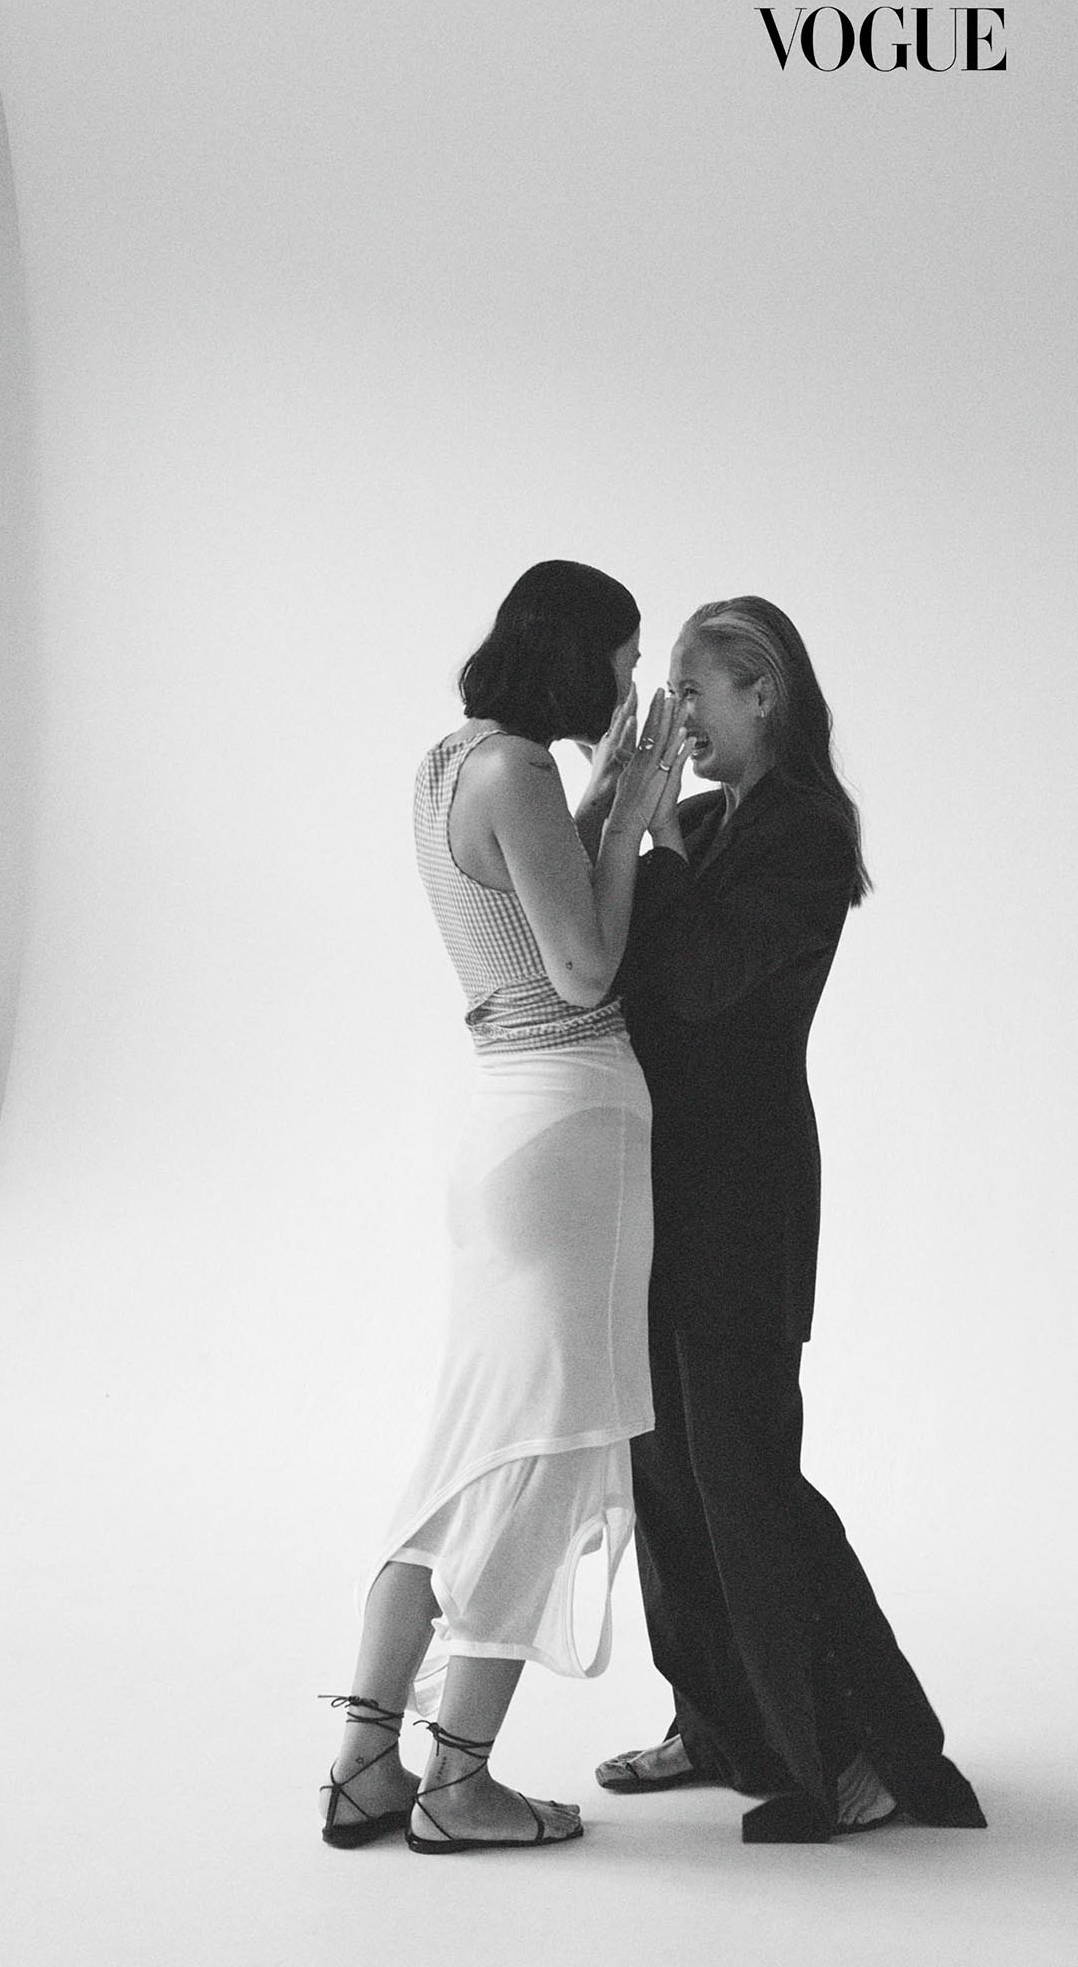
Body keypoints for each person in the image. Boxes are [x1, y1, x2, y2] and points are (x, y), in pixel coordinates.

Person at [592, 595, 986, 1843]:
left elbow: (705, 981)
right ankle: (720, 1723)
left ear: (762, 692)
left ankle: (869, 1752)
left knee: (746, 1475)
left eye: (693, 689)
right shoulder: (707, 821)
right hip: (660, 1178)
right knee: (664, 1471)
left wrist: (656, 842)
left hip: (742, 1190)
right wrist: (623, 807)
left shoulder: (806, 829)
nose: (679, 715)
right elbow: (620, 967)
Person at [319, 560, 688, 1854]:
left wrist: (602, 800)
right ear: (580, 653)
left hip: (502, 1131)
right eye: (626, 657)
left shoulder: (452, 761)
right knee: (542, 1450)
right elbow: (581, 968)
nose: (632, 682)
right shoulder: (521, 770)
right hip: (572, 1124)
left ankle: (366, 1762)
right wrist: (627, 820)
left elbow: (532, 913)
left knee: (467, 1451)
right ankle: (458, 1782)